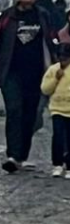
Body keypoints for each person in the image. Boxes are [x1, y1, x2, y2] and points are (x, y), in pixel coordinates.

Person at [0, 0, 58, 174]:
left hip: (38, 75)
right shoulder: (7, 17)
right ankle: (12, 155)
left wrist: (58, 71)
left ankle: (21, 156)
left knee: (31, 116)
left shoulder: (43, 16)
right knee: (14, 111)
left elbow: (51, 43)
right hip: (11, 73)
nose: (28, 0)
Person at [41, 44, 70, 178]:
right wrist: (56, 78)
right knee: (58, 136)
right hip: (57, 109)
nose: (63, 61)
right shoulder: (53, 70)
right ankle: (57, 164)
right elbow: (45, 89)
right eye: (61, 58)